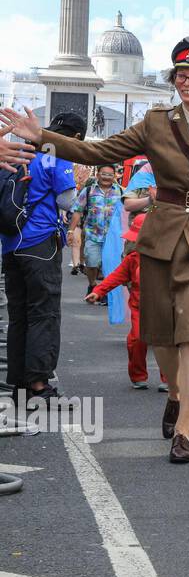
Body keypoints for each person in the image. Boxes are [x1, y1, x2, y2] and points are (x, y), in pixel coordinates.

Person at [1, 38, 189, 463]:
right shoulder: (156, 123)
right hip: (160, 235)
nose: (187, 82)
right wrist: (43, 138)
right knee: (158, 332)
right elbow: (97, 151)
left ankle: (185, 429)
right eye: (181, 75)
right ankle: (175, 392)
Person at [2, 112, 82, 401]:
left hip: (11, 242)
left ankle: (19, 383)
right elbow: (66, 199)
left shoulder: (20, 150)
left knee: (19, 314)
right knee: (43, 313)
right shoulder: (57, 152)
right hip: (40, 242)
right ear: (75, 138)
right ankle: (38, 384)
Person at [86, 213, 152, 388]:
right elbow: (116, 276)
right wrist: (98, 291)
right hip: (139, 307)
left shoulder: (168, 257)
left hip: (163, 308)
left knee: (167, 343)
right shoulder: (132, 259)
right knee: (137, 340)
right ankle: (138, 375)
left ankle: (169, 379)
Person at [70, 164, 123, 297]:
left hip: (113, 237)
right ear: (98, 175)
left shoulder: (121, 192)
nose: (106, 177)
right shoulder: (88, 191)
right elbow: (77, 211)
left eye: (110, 174)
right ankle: (92, 283)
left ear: (115, 176)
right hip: (93, 235)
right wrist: (70, 231)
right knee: (92, 263)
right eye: (103, 174)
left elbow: (129, 211)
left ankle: (105, 292)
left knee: (110, 266)